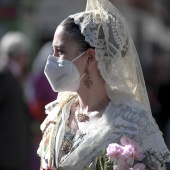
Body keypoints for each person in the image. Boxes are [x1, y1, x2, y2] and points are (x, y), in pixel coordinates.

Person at [37, 0, 170, 169]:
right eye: (52, 51)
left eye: (61, 51)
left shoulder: (131, 120)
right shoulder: (60, 112)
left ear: (91, 57)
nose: (52, 60)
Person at [0, 31, 32, 170]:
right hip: (6, 155)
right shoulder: (4, 75)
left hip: (12, 155)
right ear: (22, 56)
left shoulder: (11, 75)